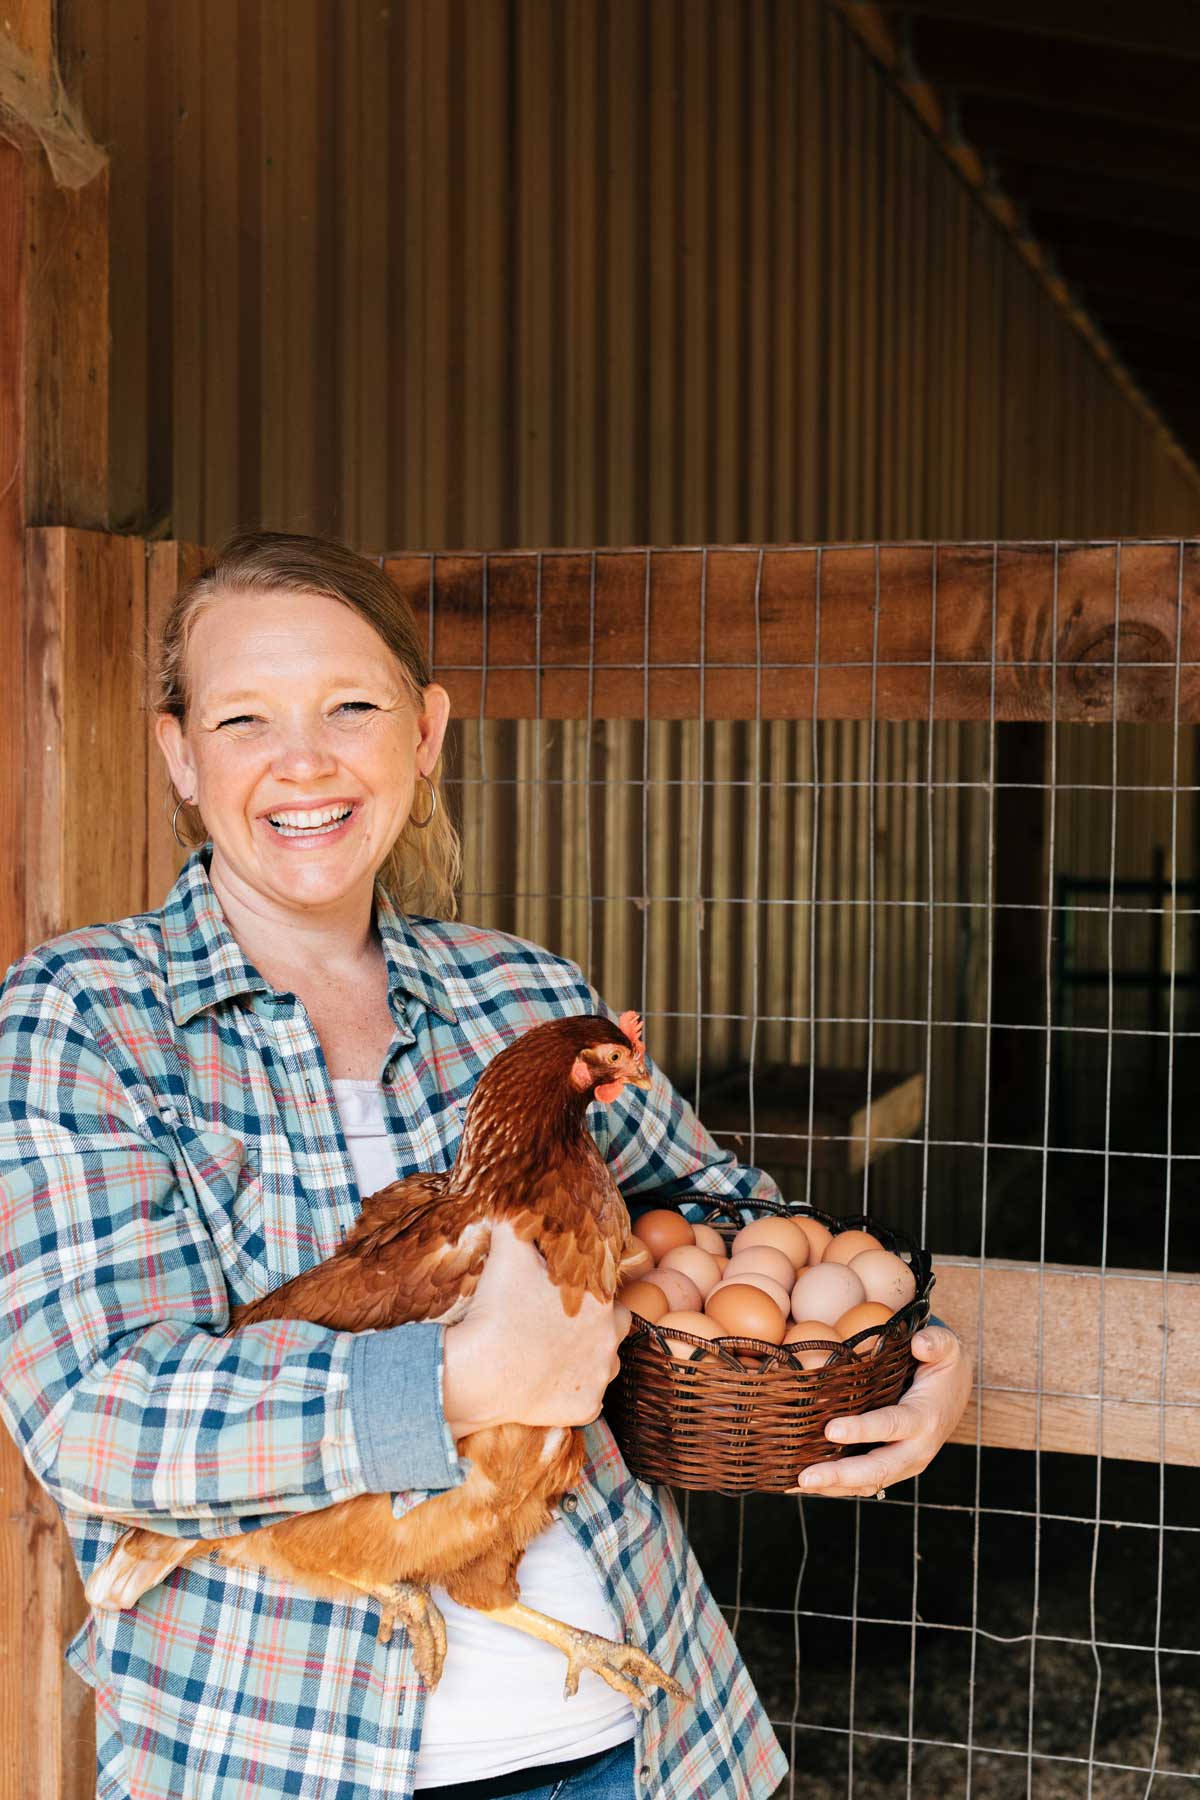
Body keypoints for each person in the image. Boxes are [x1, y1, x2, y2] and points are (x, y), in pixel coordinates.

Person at [0, 532, 971, 1800]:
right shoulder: (85, 1017)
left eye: (354, 706)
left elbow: (724, 1226)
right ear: (182, 755)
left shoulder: (518, 989)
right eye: (246, 720)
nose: (307, 760)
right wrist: (460, 1376)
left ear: (426, 732)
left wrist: (900, 1352)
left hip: (640, 1741)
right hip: (270, 1754)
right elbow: (91, 1415)